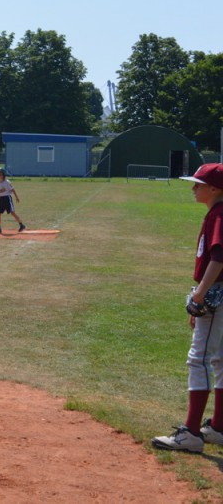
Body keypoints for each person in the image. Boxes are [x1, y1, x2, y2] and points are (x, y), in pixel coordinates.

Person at [152, 163, 223, 453]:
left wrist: (199, 295)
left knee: (199, 359)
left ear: (215, 188)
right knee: (219, 359)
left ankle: (192, 432)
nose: (194, 188)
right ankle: (218, 427)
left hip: (217, 292)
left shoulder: (219, 214)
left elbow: (218, 258)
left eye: (199, 183)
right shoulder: (217, 212)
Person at [0, 167, 25, 234]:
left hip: (7, 198)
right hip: (1, 199)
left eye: (1, 174)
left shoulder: (7, 182)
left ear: (4, 175)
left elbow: (12, 189)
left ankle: (21, 225)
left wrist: (16, 197)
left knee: (12, 212)